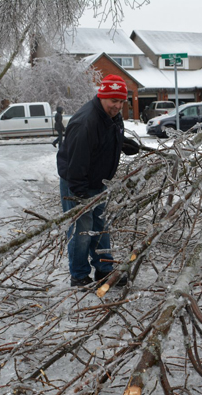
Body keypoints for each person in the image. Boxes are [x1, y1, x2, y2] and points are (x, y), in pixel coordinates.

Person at [56, 74, 140, 287]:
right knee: (82, 231)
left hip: (98, 182)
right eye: (114, 101)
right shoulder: (86, 122)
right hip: (78, 184)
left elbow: (107, 136)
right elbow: (77, 161)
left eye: (121, 101)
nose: (118, 106)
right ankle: (79, 275)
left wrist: (123, 143)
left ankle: (104, 270)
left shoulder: (111, 115)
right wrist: (80, 193)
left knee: (101, 228)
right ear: (102, 96)